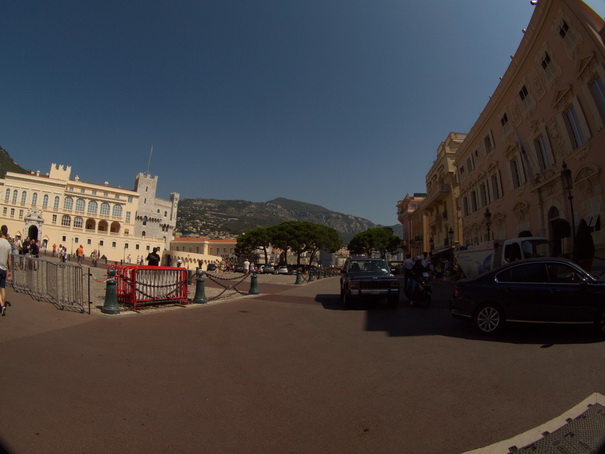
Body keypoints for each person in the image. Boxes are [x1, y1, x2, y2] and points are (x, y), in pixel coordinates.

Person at [0, 225, 13, 316]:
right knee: (3, 288)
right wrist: (9, 271)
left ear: (1, 232)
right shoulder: (8, 245)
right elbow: (9, 260)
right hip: (4, 268)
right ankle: (3, 304)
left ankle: (1, 304)